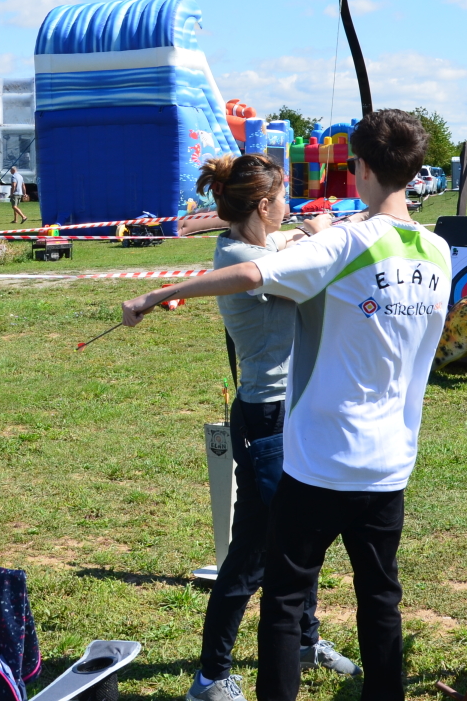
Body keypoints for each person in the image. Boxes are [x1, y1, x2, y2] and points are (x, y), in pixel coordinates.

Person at [121, 111, 446, 701]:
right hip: (384, 461)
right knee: (375, 596)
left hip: (321, 457)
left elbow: (264, 267)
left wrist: (157, 294)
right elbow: (257, 266)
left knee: (284, 594)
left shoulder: (342, 244)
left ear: (360, 168)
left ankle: (279, 654)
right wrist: (326, 235)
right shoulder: (438, 251)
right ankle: (222, 671)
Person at [176, 154, 354, 701]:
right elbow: (302, 265)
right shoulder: (242, 260)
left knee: (305, 533)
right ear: (261, 205)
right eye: (281, 200)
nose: (288, 207)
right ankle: (211, 676)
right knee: (256, 553)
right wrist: (325, 232)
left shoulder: (253, 244)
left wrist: (313, 229)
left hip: (285, 411)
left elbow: (284, 245)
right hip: (268, 417)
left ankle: (304, 640)